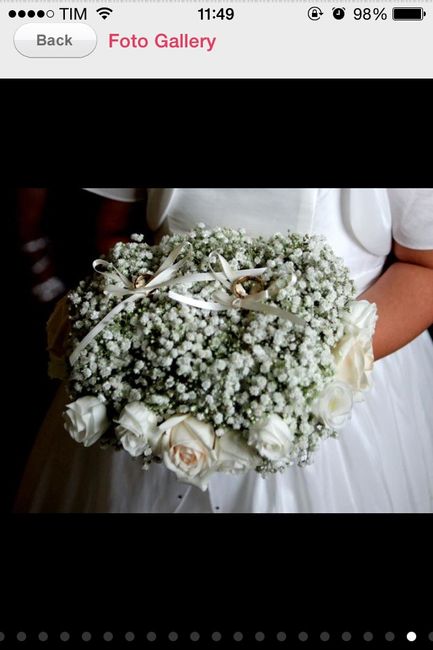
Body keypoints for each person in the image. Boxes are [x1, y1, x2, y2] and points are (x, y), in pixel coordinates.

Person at [14, 189, 433, 513]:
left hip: (332, 379)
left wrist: (311, 368)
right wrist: (147, 349)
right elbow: (116, 231)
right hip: (161, 371)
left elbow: (424, 265)